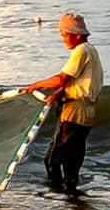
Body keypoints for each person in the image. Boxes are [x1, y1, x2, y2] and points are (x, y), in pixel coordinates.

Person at [25, 12, 104, 196]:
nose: (63, 40)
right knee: (70, 158)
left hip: (75, 111)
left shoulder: (81, 50)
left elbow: (62, 79)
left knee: (55, 159)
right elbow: (80, 82)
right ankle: (69, 197)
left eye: (64, 35)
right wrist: (58, 95)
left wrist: (36, 85)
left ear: (76, 35)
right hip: (82, 110)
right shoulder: (91, 51)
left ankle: (62, 196)